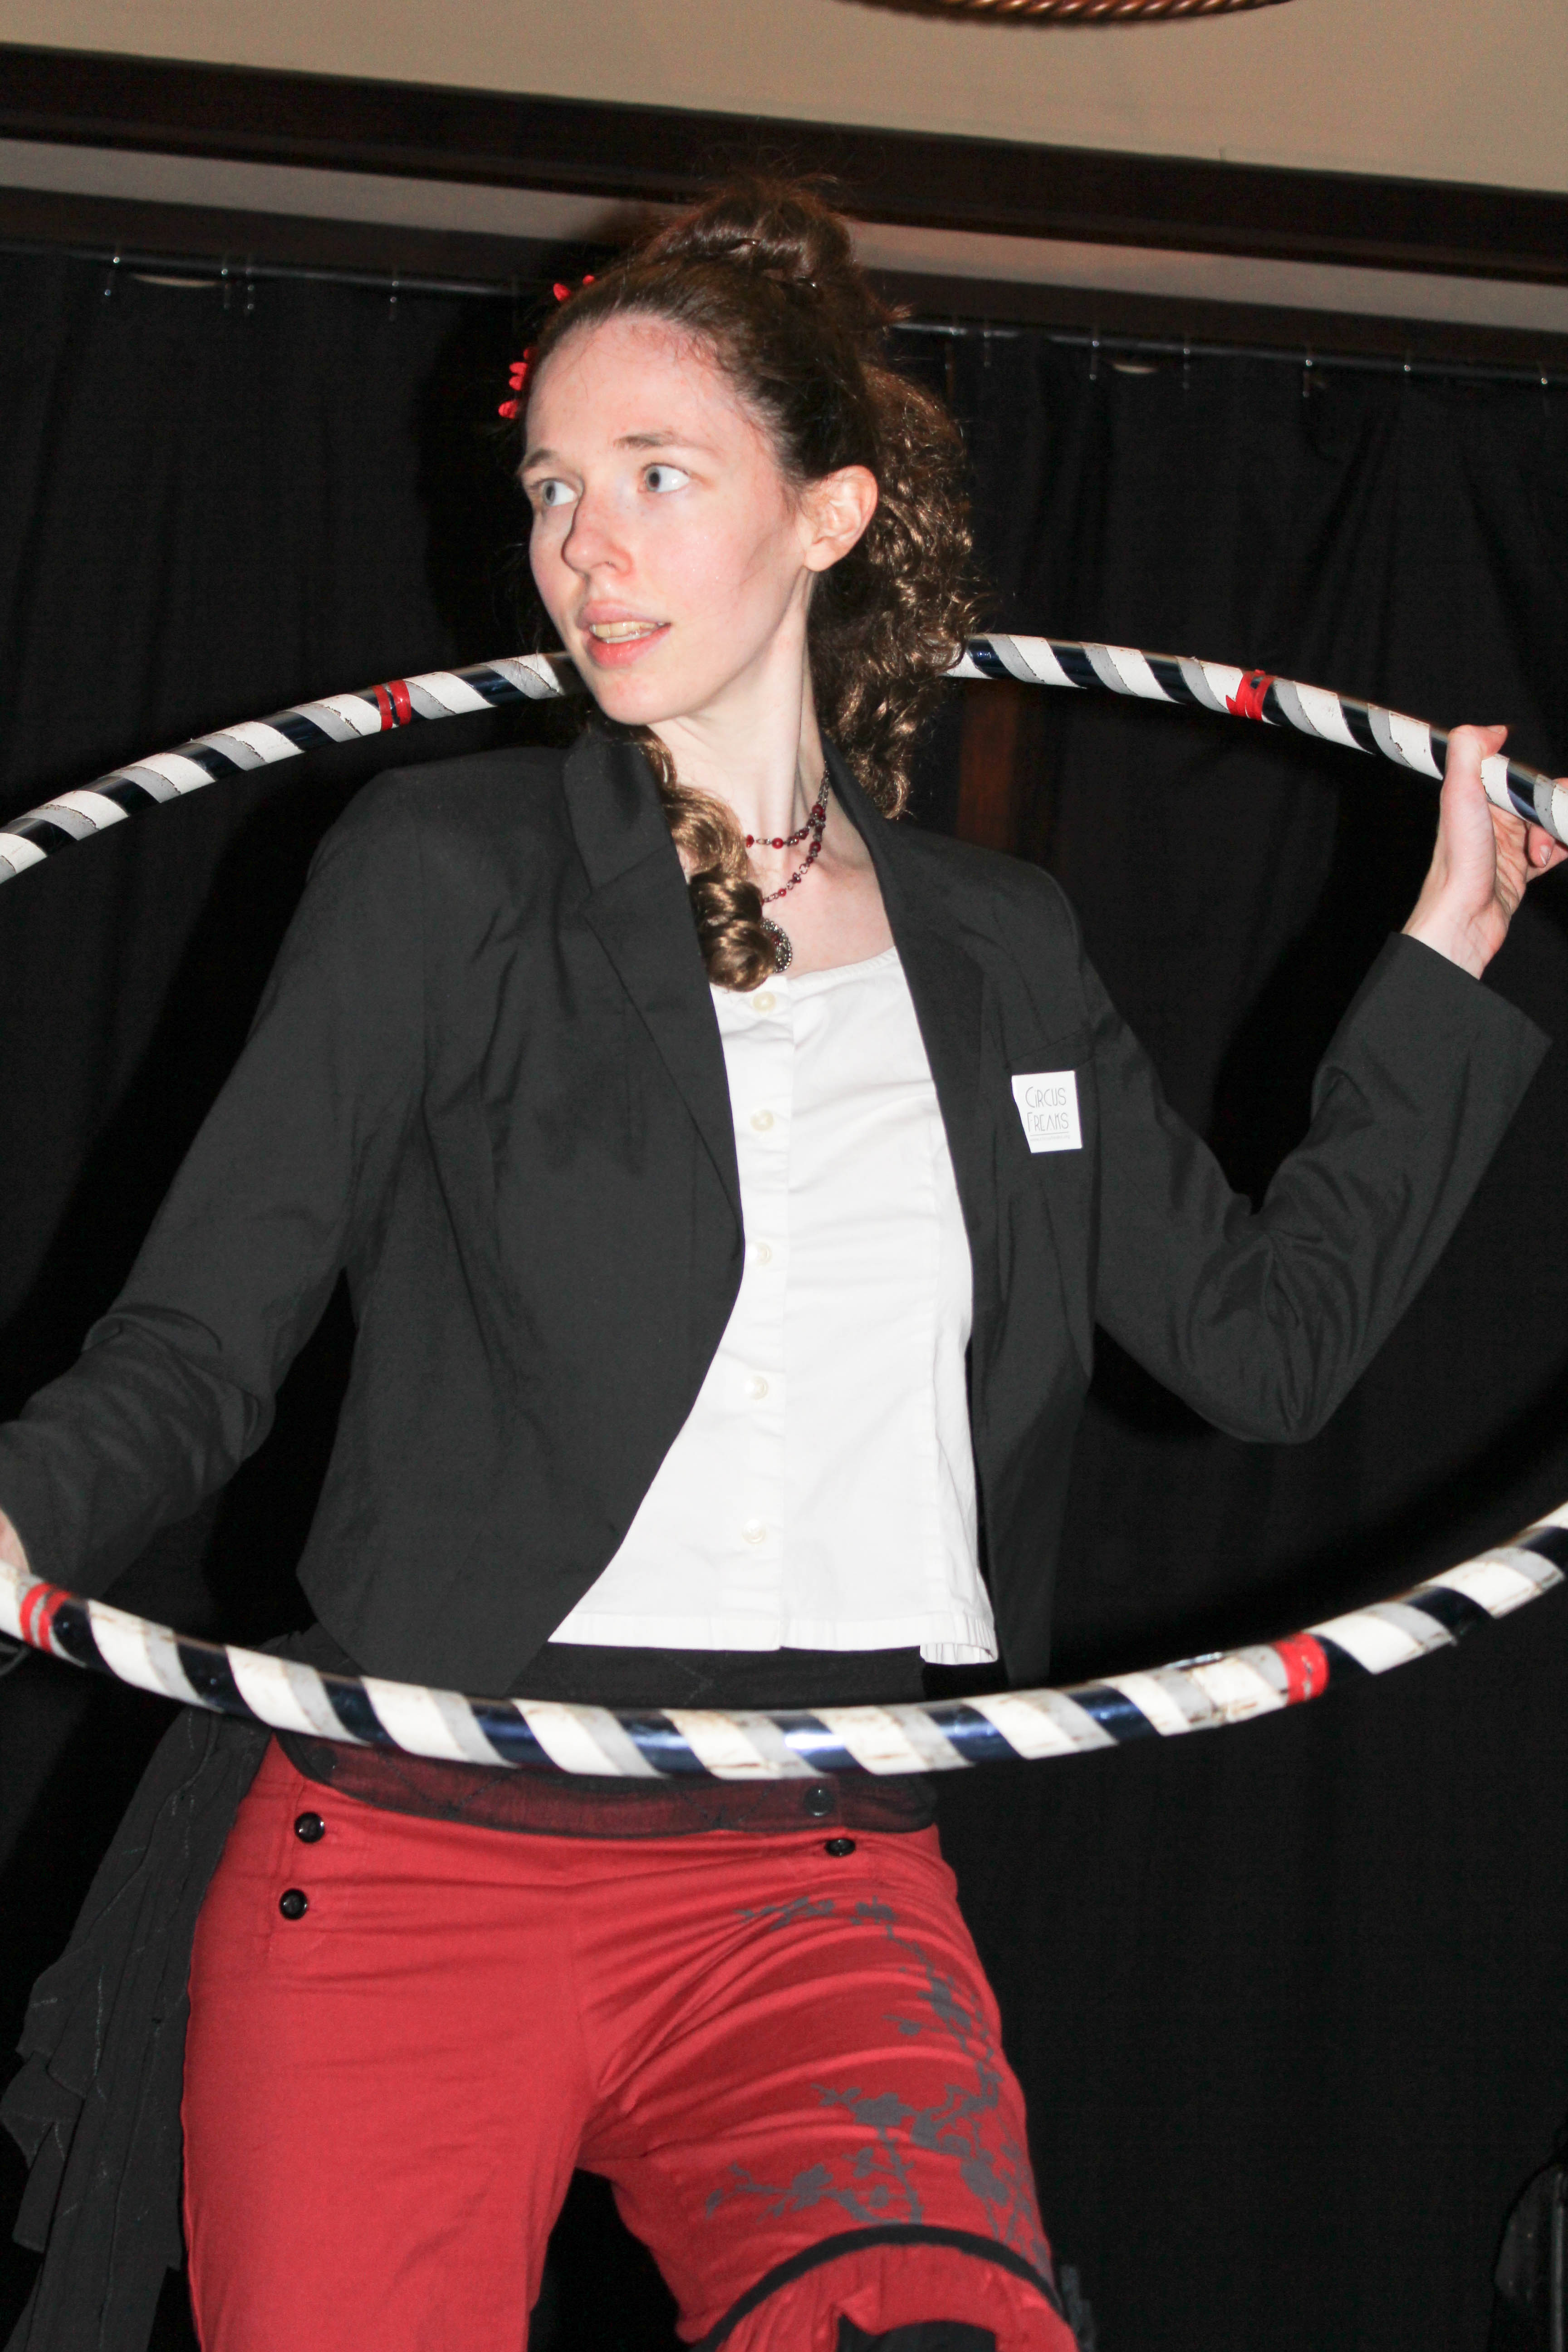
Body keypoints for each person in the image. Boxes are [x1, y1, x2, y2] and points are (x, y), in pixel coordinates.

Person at [0, 179, 1562, 2352]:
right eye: (552, 487)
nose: (585, 547)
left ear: (829, 513)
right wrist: (22, 1515)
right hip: (412, 1856)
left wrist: (1451, 945)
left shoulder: (1003, 948)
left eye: (658, 475)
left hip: (813, 1885)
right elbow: (195, 1342)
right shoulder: (444, 874)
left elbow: (1265, 1347)